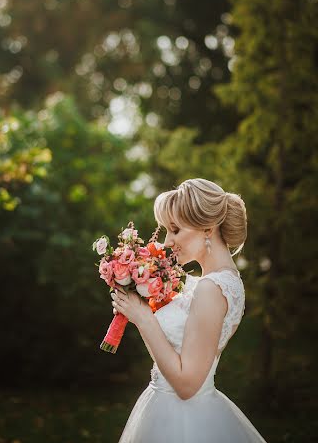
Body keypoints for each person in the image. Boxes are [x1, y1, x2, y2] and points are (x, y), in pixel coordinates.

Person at [112, 178, 268, 442]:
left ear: (207, 227)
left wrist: (143, 319)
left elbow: (187, 384)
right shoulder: (212, 282)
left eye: (175, 230)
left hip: (183, 420)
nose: (168, 241)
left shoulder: (212, 288)